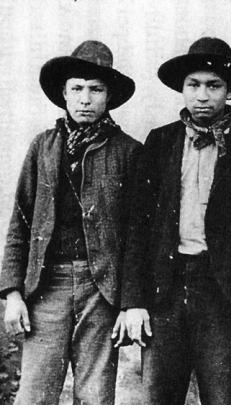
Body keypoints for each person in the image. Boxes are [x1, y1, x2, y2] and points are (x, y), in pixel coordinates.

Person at [118, 37, 231, 405]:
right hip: (165, 293)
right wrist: (134, 301)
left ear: (229, 90)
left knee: (222, 397)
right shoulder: (159, 143)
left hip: (223, 296)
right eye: (194, 85)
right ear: (182, 88)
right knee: (159, 396)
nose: (202, 95)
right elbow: (138, 228)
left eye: (213, 85)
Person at [0, 40, 139, 404]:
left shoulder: (129, 152)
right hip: (47, 285)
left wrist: (128, 302)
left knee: (94, 394)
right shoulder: (42, 147)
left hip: (101, 287)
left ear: (109, 97)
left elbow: (138, 235)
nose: (85, 99)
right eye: (76, 88)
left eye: (96, 90)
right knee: (34, 393)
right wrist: (13, 293)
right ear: (63, 93)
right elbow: (21, 222)